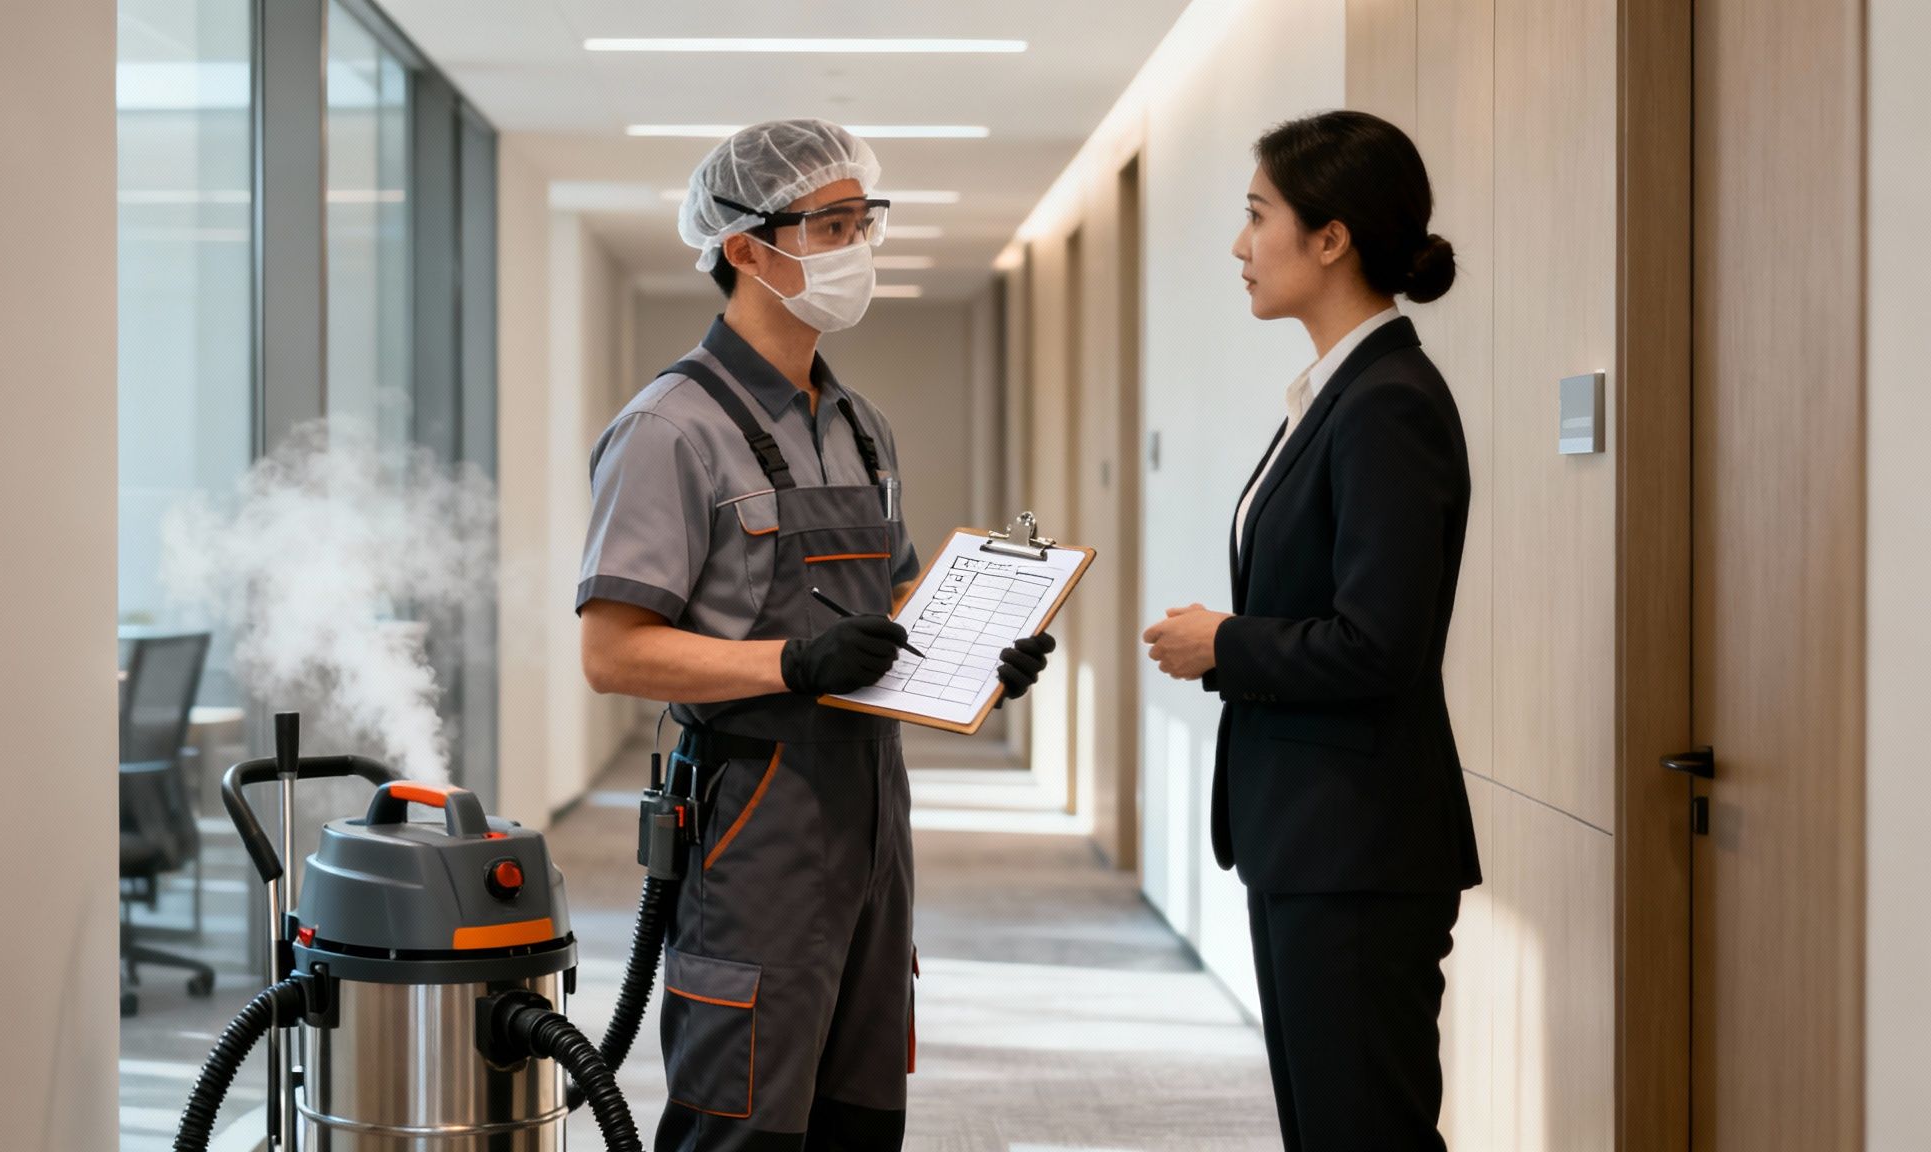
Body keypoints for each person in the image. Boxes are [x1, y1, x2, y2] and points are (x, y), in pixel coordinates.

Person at [575, 119, 1056, 1152]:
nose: (857, 247)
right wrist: (788, 663)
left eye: (862, 221)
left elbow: (897, 597)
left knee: (859, 1115)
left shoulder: (857, 424)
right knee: (743, 1119)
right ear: (744, 248)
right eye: (829, 224)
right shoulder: (668, 431)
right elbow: (611, 651)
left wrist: (985, 650)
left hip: (874, 812)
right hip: (756, 821)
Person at [1139, 109, 1482, 1152]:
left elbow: (1380, 643)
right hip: (1311, 839)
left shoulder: (1385, 403)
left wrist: (1224, 643)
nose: (1240, 247)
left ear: (1329, 237)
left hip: (1359, 849)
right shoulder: (1332, 394)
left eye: (1256, 217)